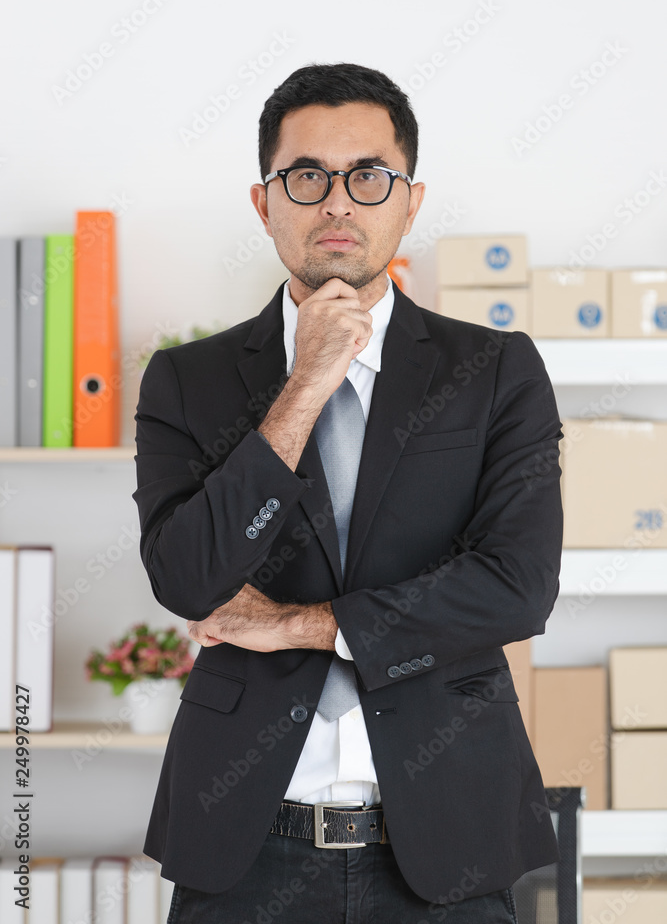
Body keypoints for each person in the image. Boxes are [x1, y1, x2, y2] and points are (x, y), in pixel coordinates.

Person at [132, 62, 563, 924]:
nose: (337, 203)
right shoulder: (187, 379)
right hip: (244, 848)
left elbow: (516, 586)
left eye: (368, 177)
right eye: (305, 177)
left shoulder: (494, 370)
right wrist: (307, 384)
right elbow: (187, 579)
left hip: (444, 843)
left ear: (409, 200)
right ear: (265, 203)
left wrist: (302, 625)